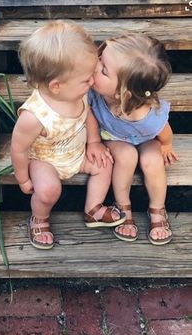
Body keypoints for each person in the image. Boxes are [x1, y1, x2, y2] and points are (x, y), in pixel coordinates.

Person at [11, 21, 125, 250]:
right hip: (45, 161)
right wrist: (23, 178)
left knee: (104, 163)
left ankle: (93, 209)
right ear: (56, 86)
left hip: (76, 153)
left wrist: (94, 142)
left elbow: (89, 115)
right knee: (49, 190)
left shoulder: (77, 92)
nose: (92, 82)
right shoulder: (34, 116)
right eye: (86, 79)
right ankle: (39, 218)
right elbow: (19, 149)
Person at [87, 33, 179, 245]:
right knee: (126, 156)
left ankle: (157, 208)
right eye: (100, 57)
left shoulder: (147, 117)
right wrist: (94, 141)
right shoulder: (95, 90)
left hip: (145, 138)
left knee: (152, 161)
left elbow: (163, 130)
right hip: (113, 137)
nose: (94, 66)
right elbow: (88, 114)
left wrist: (166, 145)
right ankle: (123, 206)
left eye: (103, 70)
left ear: (123, 93)